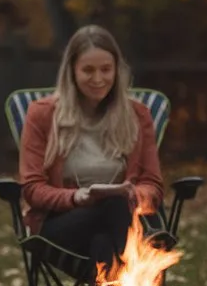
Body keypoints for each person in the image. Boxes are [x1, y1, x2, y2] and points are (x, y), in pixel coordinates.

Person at [19, 25, 164, 267]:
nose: (98, 79)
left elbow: (153, 185)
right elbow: (32, 189)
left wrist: (134, 194)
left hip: (123, 219)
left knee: (103, 243)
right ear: (72, 71)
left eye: (106, 70)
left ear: (117, 71)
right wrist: (76, 197)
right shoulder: (42, 115)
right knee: (114, 207)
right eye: (88, 70)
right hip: (62, 224)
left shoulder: (137, 115)